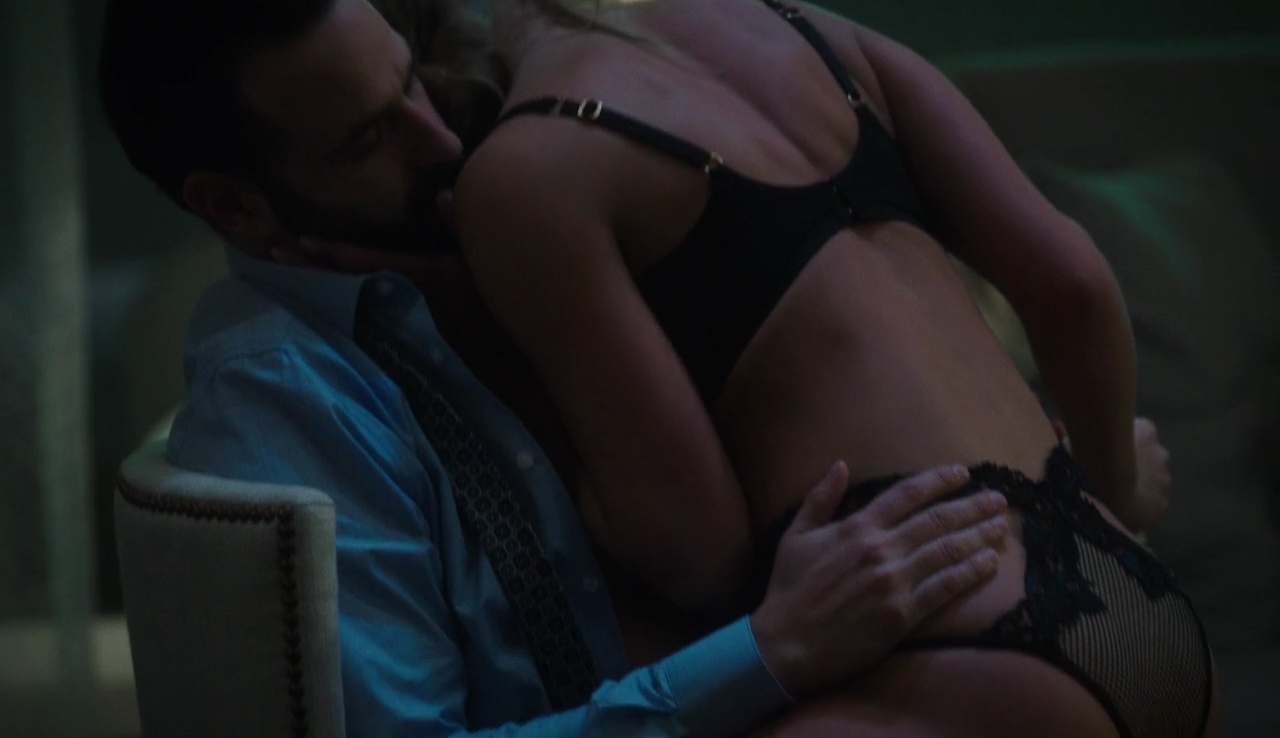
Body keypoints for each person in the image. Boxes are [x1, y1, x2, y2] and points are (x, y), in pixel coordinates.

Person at [280, 0, 1218, 736]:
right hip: (1146, 609)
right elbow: (1073, 282)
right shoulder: (810, 29)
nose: (429, 140)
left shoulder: (526, 168)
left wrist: (497, 346)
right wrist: (1116, 490)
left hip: (949, 649)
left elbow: (697, 553)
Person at [97, 0, 1014, 735]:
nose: (440, 141)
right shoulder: (287, 396)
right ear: (234, 207)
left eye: (409, 81)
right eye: (367, 140)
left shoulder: (449, 269)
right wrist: (771, 649)